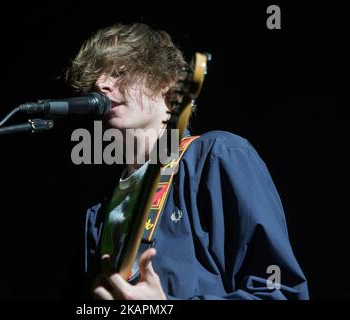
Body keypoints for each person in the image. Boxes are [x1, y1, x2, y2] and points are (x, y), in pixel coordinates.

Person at [65, 23, 309, 300]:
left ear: (167, 80)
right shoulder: (97, 214)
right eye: (96, 81)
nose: (102, 85)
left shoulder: (217, 156)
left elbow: (283, 292)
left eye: (120, 73)